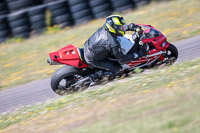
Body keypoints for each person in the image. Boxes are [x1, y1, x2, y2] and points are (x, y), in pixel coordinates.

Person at [84, 15, 147, 81]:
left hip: (89, 47)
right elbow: (122, 59)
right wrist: (139, 54)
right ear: (113, 27)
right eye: (120, 27)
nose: (122, 28)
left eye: (122, 26)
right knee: (120, 70)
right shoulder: (113, 43)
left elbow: (118, 30)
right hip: (93, 59)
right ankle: (95, 76)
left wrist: (131, 27)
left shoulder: (106, 29)